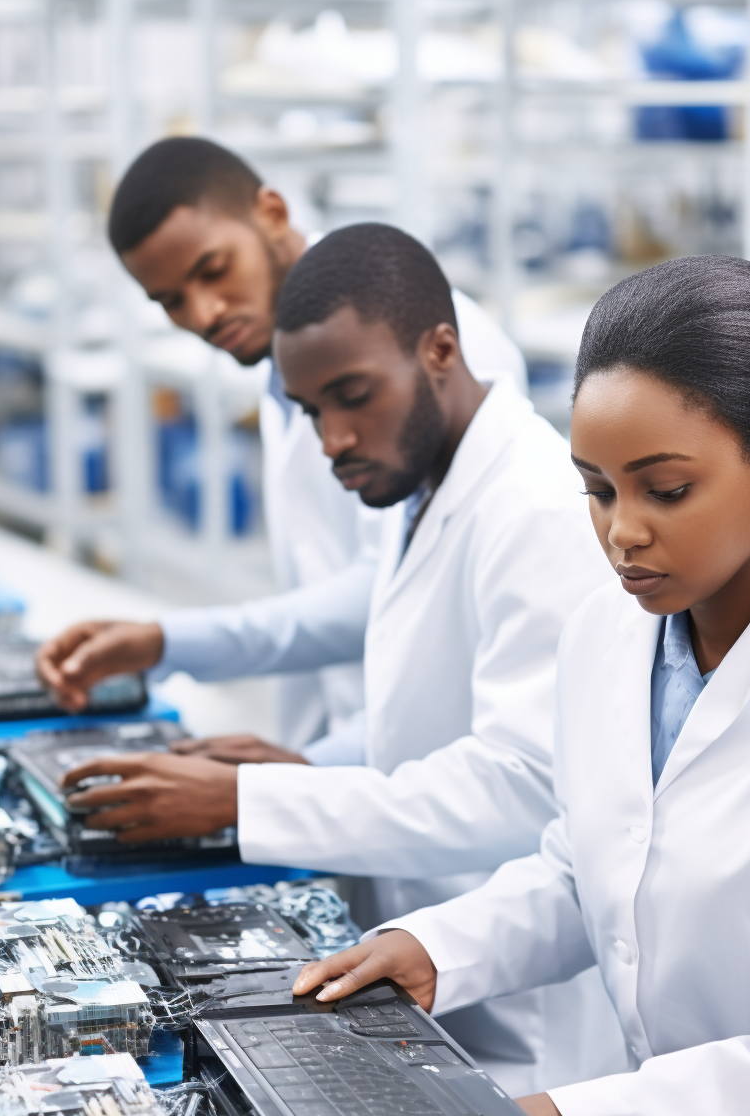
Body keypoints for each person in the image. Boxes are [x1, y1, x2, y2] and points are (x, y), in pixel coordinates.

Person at [291, 255, 750, 1116]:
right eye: (596, 491)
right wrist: (435, 946)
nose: (621, 532)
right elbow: (588, 867)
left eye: (663, 490)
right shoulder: (609, 638)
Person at [39, 224, 620, 1096]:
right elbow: (428, 707)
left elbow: (521, 790)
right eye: (312, 412)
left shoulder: (535, 510)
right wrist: (303, 764)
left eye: (353, 397)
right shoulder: (429, 480)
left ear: (441, 349)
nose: (332, 439)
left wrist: (252, 800)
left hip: (513, 1008)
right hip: (422, 952)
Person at [104, 135, 527, 755]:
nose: (203, 312)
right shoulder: (288, 368)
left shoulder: (435, 350)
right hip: (356, 775)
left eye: (213, 269)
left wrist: (173, 644)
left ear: (272, 214)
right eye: (171, 301)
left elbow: (392, 587)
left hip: (427, 786)